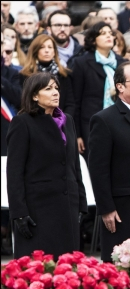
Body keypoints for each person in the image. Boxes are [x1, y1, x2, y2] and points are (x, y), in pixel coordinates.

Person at [7, 72, 87, 259]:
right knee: (39, 271)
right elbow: (14, 172)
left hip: (67, 207)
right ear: (34, 95)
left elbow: (74, 166)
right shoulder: (22, 123)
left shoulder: (68, 121)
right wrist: (19, 213)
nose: (55, 92)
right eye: (48, 88)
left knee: (67, 271)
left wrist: (81, 204)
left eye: (56, 88)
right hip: (38, 210)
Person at [88, 62, 130, 262]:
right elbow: (98, 168)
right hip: (121, 205)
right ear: (120, 86)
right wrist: (106, 208)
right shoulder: (104, 119)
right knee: (120, 264)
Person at [69, 22, 125, 158]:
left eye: (110, 33)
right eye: (103, 33)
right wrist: (77, 135)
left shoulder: (121, 62)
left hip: (118, 122)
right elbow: (76, 100)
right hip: (90, 124)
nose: (108, 36)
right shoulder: (81, 63)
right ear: (93, 39)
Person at [18, 34, 74, 113]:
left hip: (61, 120)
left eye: (50, 47)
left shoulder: (64, 74)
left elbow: (70, 103)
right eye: (42, 47)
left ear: (54, 52)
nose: (46, 50)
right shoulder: (26, 74)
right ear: (35, 51)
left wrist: (63, 120)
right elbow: (24, 102)